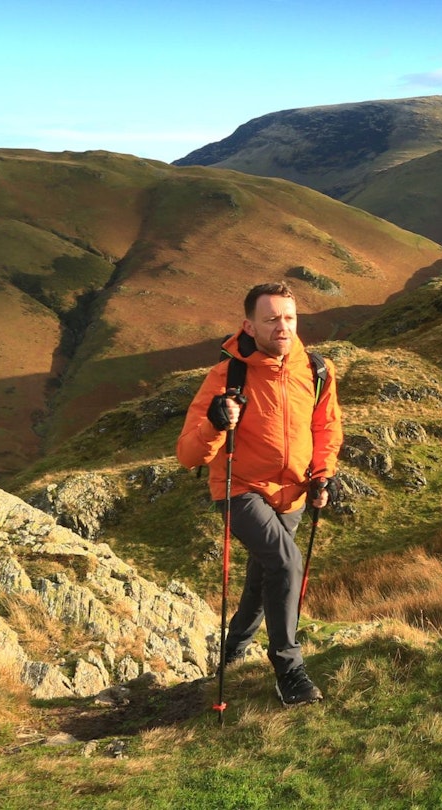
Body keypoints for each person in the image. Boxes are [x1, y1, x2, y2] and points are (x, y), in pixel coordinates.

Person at [177, 281, 343, 706]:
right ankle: (290, 671)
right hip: (240, 489)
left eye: (288, 318)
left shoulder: (317, 371)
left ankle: (233, 650)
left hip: (294, 493)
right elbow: (188, 455)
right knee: (286, 563)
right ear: (249, 325)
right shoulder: (227, 375)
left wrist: (322, 474)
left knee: (263, 574)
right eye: (271, 320)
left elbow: (325, 428)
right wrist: (216, 422)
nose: (281, 327)